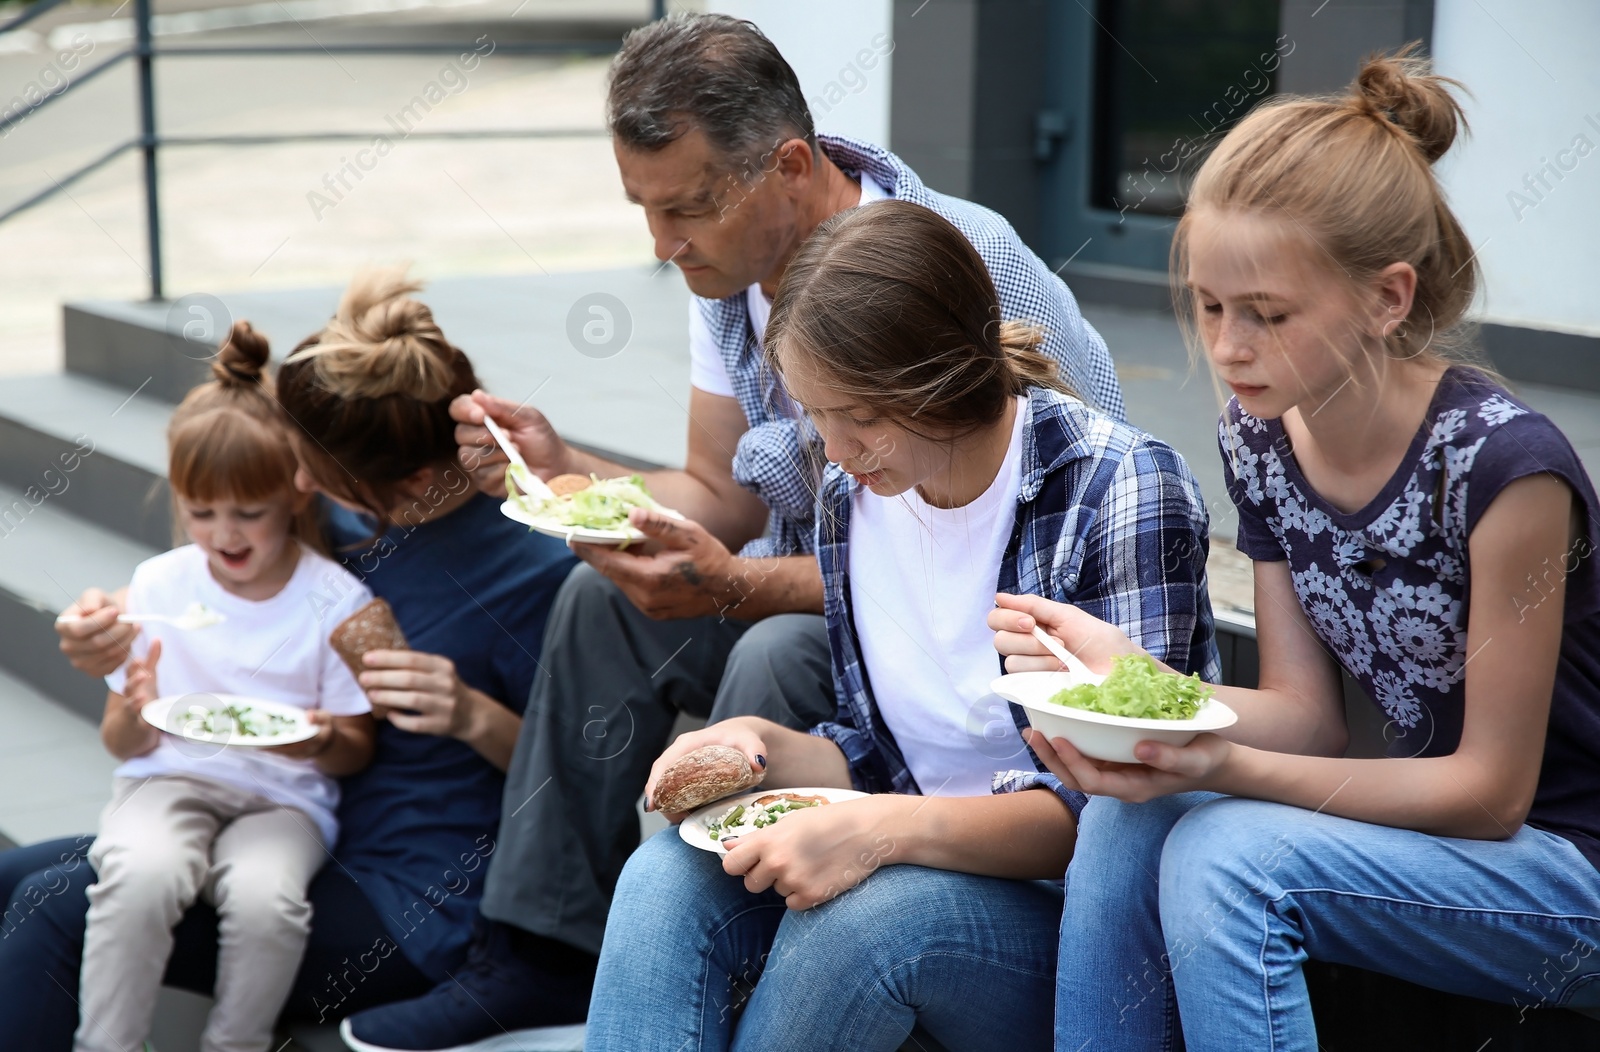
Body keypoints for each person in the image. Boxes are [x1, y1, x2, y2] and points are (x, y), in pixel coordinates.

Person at [345, 15, 1127, 1049]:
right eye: (643, 209)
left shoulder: (963, 259)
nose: (662, 244)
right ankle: (538, 947)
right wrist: (567, 471)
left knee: (769, 644)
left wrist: (736, 589)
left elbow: (1031, 539)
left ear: (788, 167)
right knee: (594, 601)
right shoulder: (727, 273)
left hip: (974, 639)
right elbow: (719, 490)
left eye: (685, 207)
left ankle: (751, 952)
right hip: (835, 591)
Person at [988, 49, 1600, 1052]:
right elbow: (1309, 719)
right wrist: (1144, 689)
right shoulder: (1261, 437)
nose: (1227, 347)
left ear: (1386, 298)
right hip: (1425, 838)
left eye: (1266, 315)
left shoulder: (1505, 468)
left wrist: (1216, 760)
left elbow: (1492, 794)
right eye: (1209, 304)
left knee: (1227, 853)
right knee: (1127, 816)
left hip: (1562, 867)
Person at [584, 200, 1215, 1051]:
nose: (836, 451)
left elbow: (1112, 809)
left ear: (944, 374)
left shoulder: (1120, 490)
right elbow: (879, 754)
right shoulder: (858, 492)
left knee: (868, 924)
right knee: (664, 879)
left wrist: (876, 831)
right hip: (913, 852)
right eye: (818, 416)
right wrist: (755, 748)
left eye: (861, 418)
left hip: (1080, 928)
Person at [0, 269, 580, 1050]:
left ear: (409, 479)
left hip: (403, 894)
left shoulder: (534, 576)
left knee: (57, 909)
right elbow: (217, 570)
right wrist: (102, 632)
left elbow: (581, 783)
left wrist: (474, 716)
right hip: (270, 807)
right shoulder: (339, 514)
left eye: (315, 471)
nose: (298, 485)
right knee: (16, 880)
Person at [75, 323, 378, 1052]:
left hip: (285, 796)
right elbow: (120, 741)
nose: (224, 535)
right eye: (201, 513)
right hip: (170, 779)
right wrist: (139, 704)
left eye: (249, 513)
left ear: (293, 501)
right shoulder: (159, 586)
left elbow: (354, 750)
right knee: (140, 873)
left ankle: (235, 1043)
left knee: (266, 901)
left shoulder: (333, 600)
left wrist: (320, 736)